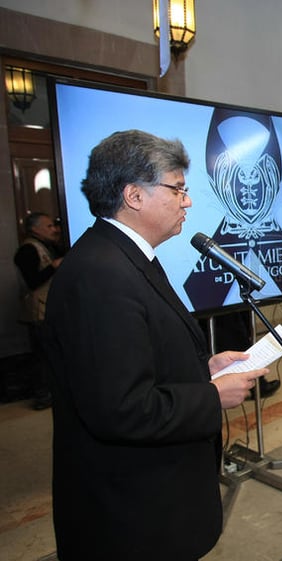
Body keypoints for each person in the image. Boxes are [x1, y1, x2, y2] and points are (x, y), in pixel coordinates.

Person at [42, 130, 268, 560]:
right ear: (134, 195)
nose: (188, 201)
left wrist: (204, 366)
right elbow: (120, 409)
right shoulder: (100, 276)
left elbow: (141, 355)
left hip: (154, 495)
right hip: (130, 512)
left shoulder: (125, 256)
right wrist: (211, 396)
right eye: (178, 189)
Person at [14, 212, 63, 410]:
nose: (54, 229)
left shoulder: (47, 246)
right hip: (38, 311)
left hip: (49, 308)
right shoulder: (27, 250)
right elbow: (32, 281)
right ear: (35, 228)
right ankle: (43, 395)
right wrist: (53, 266)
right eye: (49, 226)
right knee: (43, 356)